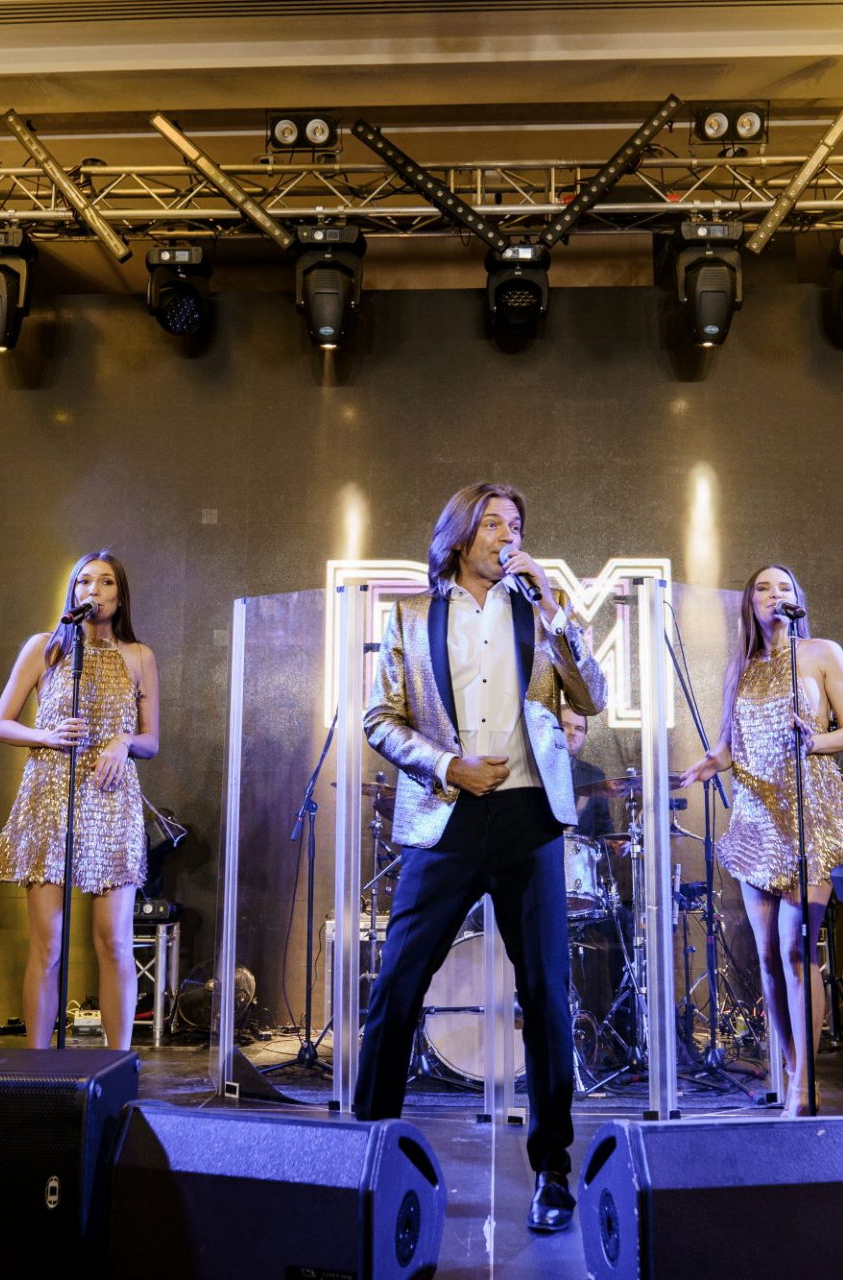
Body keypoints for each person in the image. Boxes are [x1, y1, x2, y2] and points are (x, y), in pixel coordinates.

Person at [356, 482, 605, 1233]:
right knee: (397, 987)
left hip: (529, 818)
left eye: (516, 524)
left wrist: (557, 610)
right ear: (461, 537)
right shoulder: (412, 616)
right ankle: (370, 1154)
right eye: (493, 523)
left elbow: (591, 697)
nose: (507, 534)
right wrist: (445, 765)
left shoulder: (541, 614)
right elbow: (379, 718)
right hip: (449, 819)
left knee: (547, 998)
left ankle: (553, 1172)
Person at [678, 564, 843, 1117]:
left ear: (795, 600)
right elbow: (730, 744)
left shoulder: (822, 653)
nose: (773, 594)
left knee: (797, 950)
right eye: (762, 588)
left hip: (811, 814)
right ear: (749, 604)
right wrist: (710, 762)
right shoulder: (741, 667)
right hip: (757, 819)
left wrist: (816, 741)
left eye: (783, 587)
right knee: (765, 955)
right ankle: (788, 1069)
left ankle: (806, 1083)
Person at [0, 550, 160, 1050]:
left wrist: (123, 741)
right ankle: (38, 1065)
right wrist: (45, 735)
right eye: (85, 581)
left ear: (120, 596)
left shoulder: (140, 656)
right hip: (50, 796)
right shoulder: (45, 648)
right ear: (73, 591)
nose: (94, 591)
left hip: (111, 801)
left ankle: (118, 1061)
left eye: (105, 583)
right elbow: (1, 724)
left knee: (114, 941)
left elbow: (151, 741)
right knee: (48, 945)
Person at [561, 706, 614, 839]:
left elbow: (604, 831)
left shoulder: (594, 776)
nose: (572, 732)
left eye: (579, 728)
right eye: (565, 725)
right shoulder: (532, 771)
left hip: (581, 852)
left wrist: (613, 843)